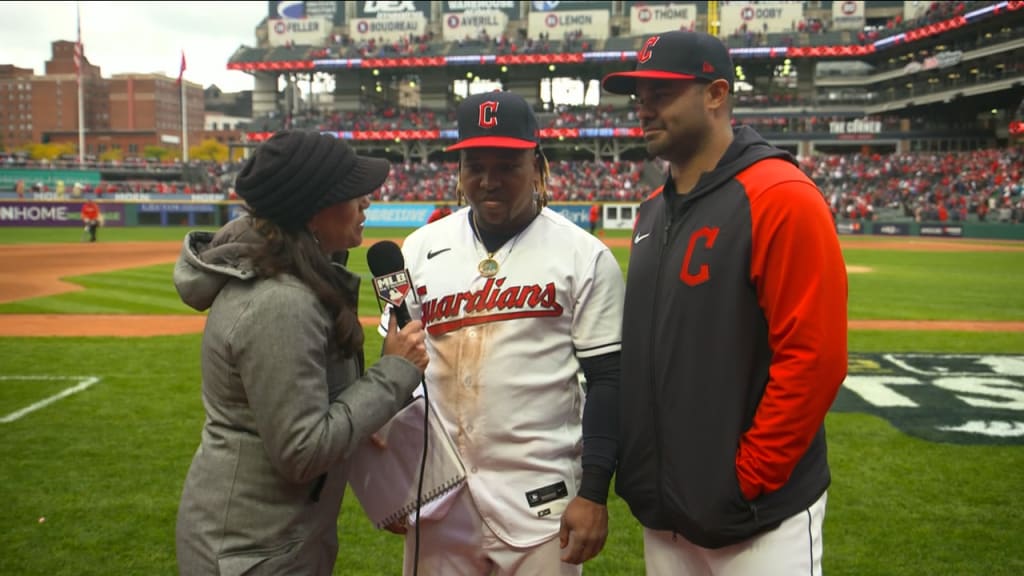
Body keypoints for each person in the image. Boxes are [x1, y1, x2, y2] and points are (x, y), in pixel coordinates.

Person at [601, 30, 848, 575]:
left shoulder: (781, 196)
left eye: (661, 93)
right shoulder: (651, 213)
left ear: (715, 94)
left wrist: (745, 478)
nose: (643, 107)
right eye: (638, 95)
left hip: (759, 522)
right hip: (665, 512)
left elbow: (815, 361)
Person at [379, 91, 625, 575]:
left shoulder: (584, 255)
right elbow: (397, 376)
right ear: (459, 170)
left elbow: (609, 382)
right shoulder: (419, 248)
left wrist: (594, 492)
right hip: (438, 496)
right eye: (475, 165)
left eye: (507, 165)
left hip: (541, 500)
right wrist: (396, 479)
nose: (488, 181)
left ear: (537, 165)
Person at [173, 130, 429, 576]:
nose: (367, 202)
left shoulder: (293, 283)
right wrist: (394, 372)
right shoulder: (280, 302)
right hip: (254, 551)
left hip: (270, 542)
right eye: (354, 193)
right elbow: (302, 452)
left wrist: (364, 410)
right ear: (313, 211)